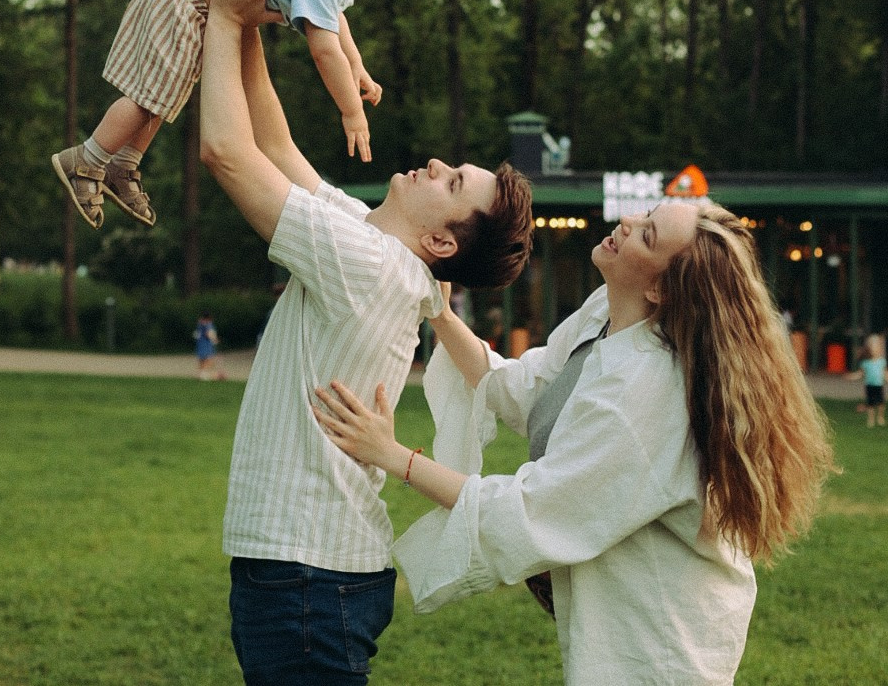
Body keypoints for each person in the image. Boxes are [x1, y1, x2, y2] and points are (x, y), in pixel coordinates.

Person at [315, 200, 836, 686]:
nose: (629, 223)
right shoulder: (606, 315)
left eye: (648, 235)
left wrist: (392, 455)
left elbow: (532, 508)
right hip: (618, 617)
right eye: (647, 212)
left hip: (661, 640)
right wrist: (442, 313)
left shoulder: (645, 392)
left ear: (660, 290)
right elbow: (525, 390)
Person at [198, 0, 534, 686]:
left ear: (441, 238)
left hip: (307, 575)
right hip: (305, 570)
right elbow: (276, 144)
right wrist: (259, 19)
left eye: (450, 181)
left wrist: (222, 17)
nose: (435, 164)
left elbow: (227, 151)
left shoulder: (371, 265)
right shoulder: (365, 239)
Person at [51, 0, 419, 230]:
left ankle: (123, 163)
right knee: (147, 100)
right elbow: (324, 50)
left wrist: (358, 69)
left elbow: (336, 21)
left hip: (202, 6)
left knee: (164, 99)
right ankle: (86, 159)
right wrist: (351, 111)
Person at [847, 333, 888, 427]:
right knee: (870, 404)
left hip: (879, 385)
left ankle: (880, 418)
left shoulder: (881, 362)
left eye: (878, 347)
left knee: (881, 403)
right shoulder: (865, 363)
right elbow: (860, 374)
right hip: (869, 386)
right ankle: (871, 420)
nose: (876, 349)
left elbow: (885, 373)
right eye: (874, 347)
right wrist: (851, 376)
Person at [194, 311, 226, 380]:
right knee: (209, 359)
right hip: (206, 343)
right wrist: (215, 340)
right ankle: (204, 374)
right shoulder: (208, 324)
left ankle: (200, 374)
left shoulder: (199, 323)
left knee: (202, 359)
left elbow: (197, 334)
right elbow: (208, 333)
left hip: (200, 343)